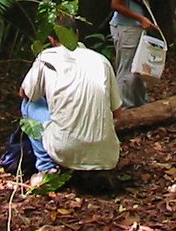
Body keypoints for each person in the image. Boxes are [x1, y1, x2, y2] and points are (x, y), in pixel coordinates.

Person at [19, 15, 123, 186]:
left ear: (51, 39)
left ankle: (47, 169)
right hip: (106, 153)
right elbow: (117, 112)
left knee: (29, 105)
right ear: (77, 33)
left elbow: (24, 93)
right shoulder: (100, 60)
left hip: (65, 148)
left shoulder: (47, 57)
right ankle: (96, 168)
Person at [108, 0, 159, 108]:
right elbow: (116, 4)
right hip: (126, 27)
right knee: (126, 69)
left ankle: (141, 103)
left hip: (135, 26)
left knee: (137, 67)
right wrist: (141, 18)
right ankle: (124, 108)